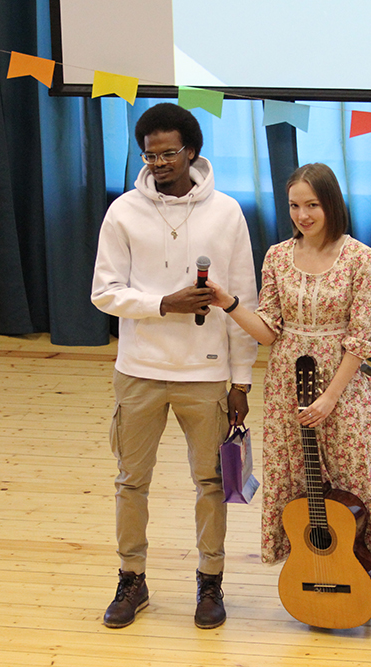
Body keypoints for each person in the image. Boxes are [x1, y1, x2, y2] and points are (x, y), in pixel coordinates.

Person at [207, 162, 371, 633]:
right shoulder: (278, 256)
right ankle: (323, 576)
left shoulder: (360, 259)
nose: (303, 215)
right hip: (286, 386)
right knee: (300, 484)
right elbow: (269, 330)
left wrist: (330, 398)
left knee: (361, 486)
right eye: (295, 205)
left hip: (343, 385)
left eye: (312, 204)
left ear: (331, 204)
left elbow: (363, 339)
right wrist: (228, 303)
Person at [91, 102, 259, 630]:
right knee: (130, 482)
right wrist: (164, 304)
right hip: (138, 370)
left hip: (205, 375)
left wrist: (241, 380)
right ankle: (132, 579)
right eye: (150, 155)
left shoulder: (227, 213)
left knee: (211, 483)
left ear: (193, 152)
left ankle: (210, 581)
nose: (159, 163)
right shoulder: (123, 211)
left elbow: (244, 303)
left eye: (168, 153)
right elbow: (104, 293)